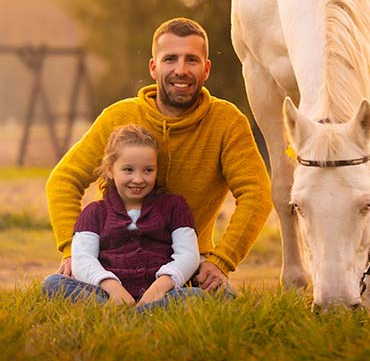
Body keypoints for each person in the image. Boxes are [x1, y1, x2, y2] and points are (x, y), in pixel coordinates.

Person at [46, 18, 272, 292]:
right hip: (112, 264)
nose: (181, 70)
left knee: (220, 299)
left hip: (187, 264)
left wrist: (221, 260)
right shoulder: (118, 117)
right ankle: (124, 304)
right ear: (153, 67)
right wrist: (73, 250)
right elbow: (63, 180)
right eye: (170, 59)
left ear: (206, 68)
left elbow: (257, 194)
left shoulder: (227, 122)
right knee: (55, 287)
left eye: (191, 60)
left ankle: (152, 306)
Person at [43, 125, 205, 311]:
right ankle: (127, 312)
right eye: (128, 170)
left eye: (148, 170)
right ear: (110, 170)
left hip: (162, 294)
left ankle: (127, 315)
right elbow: (83, 259)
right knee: (54, 284)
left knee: (196, 296)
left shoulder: (174, 206)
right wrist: (111, 287)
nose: (138, 179)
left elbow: (188, 255)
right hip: (107, 293)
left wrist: (160, 287)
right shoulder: (94, 212)